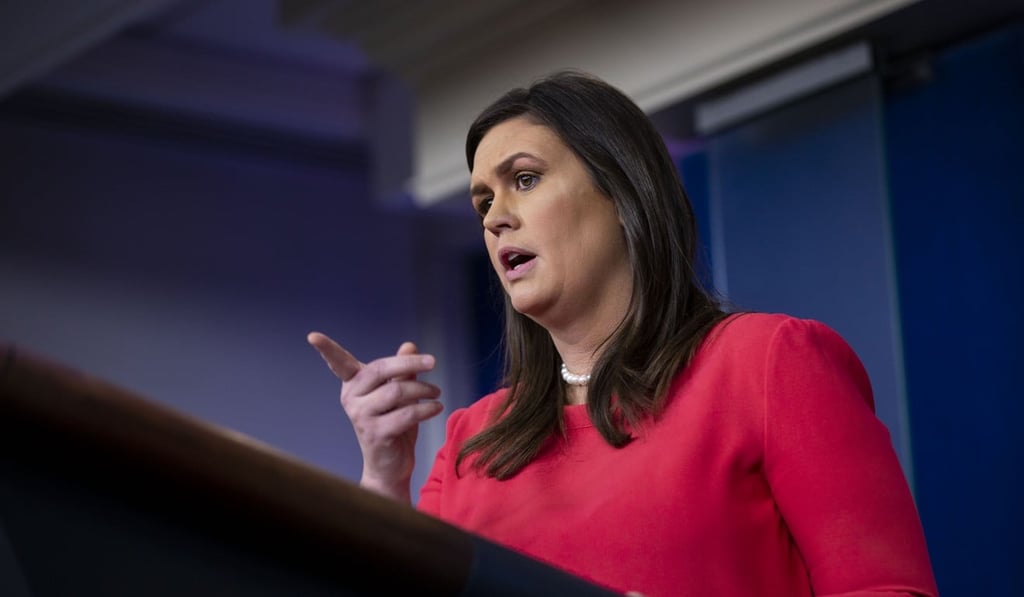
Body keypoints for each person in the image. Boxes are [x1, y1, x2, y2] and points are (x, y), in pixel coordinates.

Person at [307, 72, 938, 597]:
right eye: (482, 203)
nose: (495, 218)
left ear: (621, 191)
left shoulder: (767, 363)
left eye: (524, 179)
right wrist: (383, 479)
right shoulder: (471, 442)